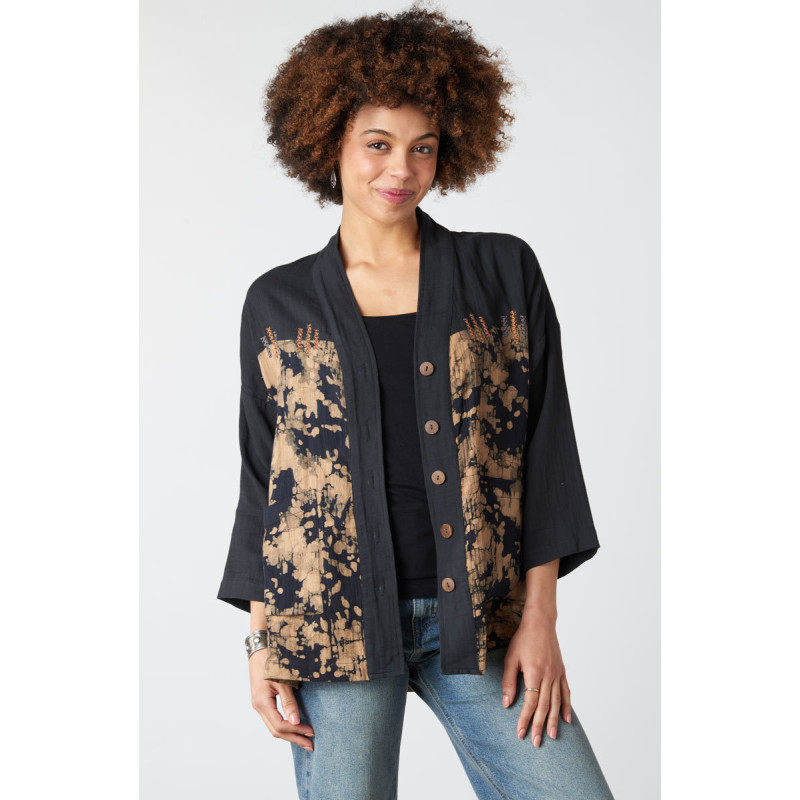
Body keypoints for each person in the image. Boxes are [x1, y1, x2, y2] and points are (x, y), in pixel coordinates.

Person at [217, 4, 615, 799]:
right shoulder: (278, 301)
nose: (400, 168)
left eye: (422, 147)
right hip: (329, 623)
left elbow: (545, 451)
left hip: (483, 619)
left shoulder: (502, 273)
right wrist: (262, 643)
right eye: (377, 143)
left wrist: (542, 618)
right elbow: (266, 483)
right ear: (328, 142)